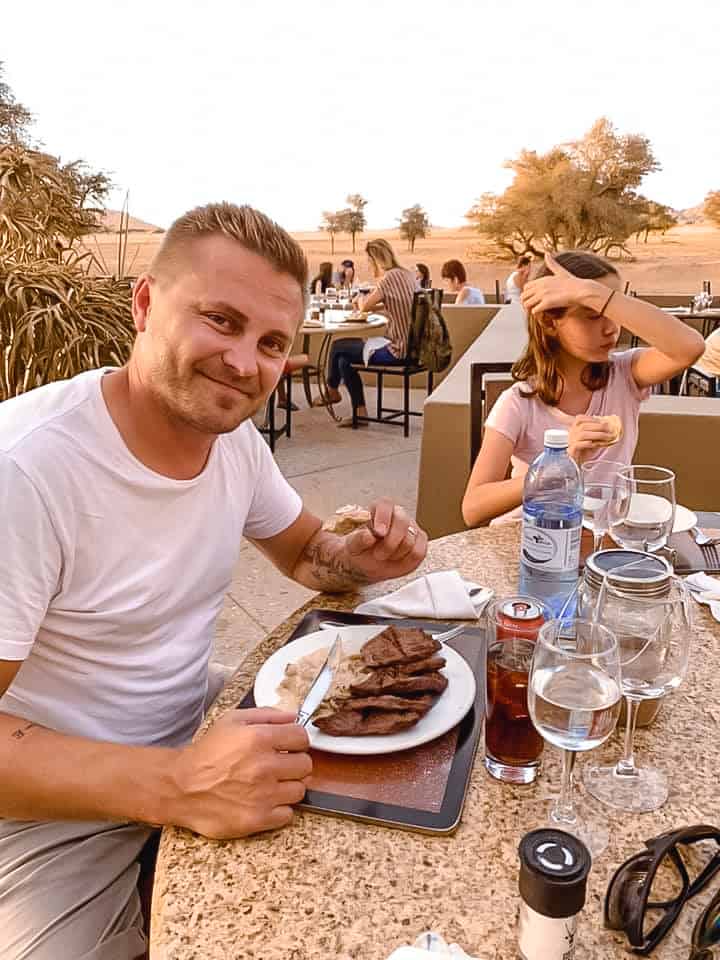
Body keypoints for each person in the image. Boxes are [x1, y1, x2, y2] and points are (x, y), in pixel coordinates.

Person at [0, 202, 428, 959]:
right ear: (143, 304)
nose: (243, 363)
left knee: (406, 802)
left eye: (270, 342)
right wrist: (176, 785)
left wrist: (361, 558)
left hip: (198, 721)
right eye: (220, 321)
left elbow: (304, 554)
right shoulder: (26, 471)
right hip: (47, 806)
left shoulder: (230, 443)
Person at [462, 250, 704, 527]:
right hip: (529, 542)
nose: (612, 329)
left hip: (603, 543)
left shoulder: (626, 376)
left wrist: (591, 293)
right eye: (592, 315)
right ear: (550, 322)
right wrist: (557, 466)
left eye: (612, 311)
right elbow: (473, 508)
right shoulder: (518, 403)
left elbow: (691, 348)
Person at [318, 239, 416, 428]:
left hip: (397, 350)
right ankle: (360, 414)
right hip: (412, 348)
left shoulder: (390, 277)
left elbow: (364, 306)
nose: (369, 265)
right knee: (344, 361)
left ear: (375, 259)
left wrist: (360, 297)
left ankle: (331, 390)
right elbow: (397, 303)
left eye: (369, 261)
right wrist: (375, 304)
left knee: (339, 346)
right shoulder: (406, 274)